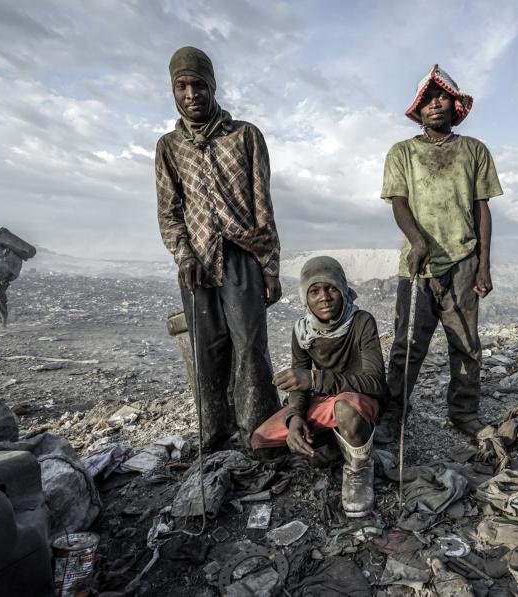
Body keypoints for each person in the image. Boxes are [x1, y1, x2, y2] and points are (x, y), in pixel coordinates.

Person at [156, 46, 281, 450]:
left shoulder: (245, 135)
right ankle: (215, 437)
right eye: (181, 86)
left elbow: (262, 204)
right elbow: (169, 210)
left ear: (212, 86)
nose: (190, 94)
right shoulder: (169, 147)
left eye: (198, 85)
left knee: (250, 349)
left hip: (243, 256)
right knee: (208, 353)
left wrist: (270, 266)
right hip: (196, 263)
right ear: (173, 91)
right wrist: (183, 254)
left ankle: (259, 436)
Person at [376, 64, 503, 444]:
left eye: (441, 98)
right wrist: (417, 242)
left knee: (465, 343)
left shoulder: (474, 150)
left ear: (455, 105)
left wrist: (483, 265)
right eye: (427, 99)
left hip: (463, 260)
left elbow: (481, 208)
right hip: (418, 264)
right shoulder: (402, 153)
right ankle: (394, 412)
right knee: (407, 345)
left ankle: (464, 413)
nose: (434, 104)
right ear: (418, 109)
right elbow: (399, 203)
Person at [251, 256, 386, 517]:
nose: (324, 297)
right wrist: (294, 418)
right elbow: (299, 388)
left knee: (346, 410)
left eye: (331, 288)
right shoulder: (302, 331)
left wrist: (314, 379)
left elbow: (375, 382)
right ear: (305, 297)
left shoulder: (361, 322)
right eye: (314, 291)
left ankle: (359, 467)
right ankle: (336, 444)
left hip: (359, 400)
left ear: (343, 290)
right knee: (261, 442)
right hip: (325, 401)